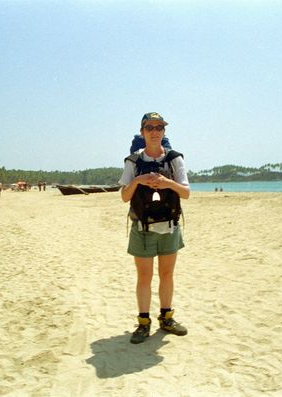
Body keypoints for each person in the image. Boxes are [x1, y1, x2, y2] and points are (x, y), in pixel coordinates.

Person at [118, 112, 191, 344]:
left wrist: (166, 182)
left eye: (159, 127)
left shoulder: (174, 159)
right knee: (144, 276)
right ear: (142, 132)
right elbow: (124, 196)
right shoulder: (133, 162)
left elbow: (186, 193)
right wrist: (138, 180)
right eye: (150, 127)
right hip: (142, 227)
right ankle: (143, 323)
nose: (155, 131)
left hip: (169, 226)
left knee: (167, 274)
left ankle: (167, 318)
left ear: (164, 132)